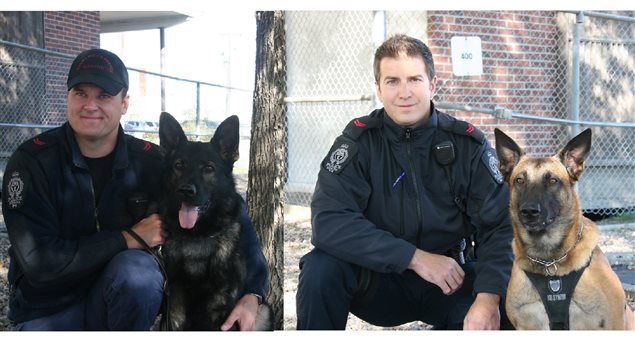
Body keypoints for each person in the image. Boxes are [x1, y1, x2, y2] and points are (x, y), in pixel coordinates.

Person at [1, 48, 268, 331]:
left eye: (104, 95)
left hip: (117, 302)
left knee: (138, 274)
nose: (90, 105)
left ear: (124, 103)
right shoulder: (32, 162)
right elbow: (38, 263)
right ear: (67, 96)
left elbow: (229, 209)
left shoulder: (151, 162)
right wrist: (127, 238)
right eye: (80, 93)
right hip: (47, 311)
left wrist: (253, 292)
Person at [296, 34, 513, 330]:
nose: (404, 92)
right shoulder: (359, 143)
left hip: (451, 278)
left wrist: (488, 301)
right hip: (380, 281)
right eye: (392, 81)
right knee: (320, 268)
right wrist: (414, 258)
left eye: (414, 79)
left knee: (510, 297)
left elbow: (500, 227)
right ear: (378, 88)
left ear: (432, 84)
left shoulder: (467, 145)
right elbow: (330, 222)